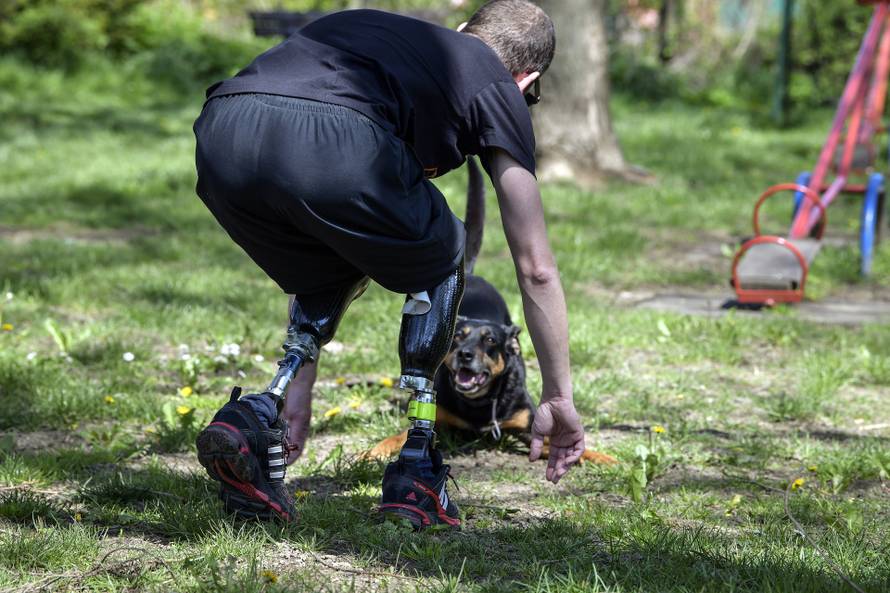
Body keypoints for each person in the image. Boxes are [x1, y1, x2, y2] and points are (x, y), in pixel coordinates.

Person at [192, 0, 586, 528]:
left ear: (464, 29)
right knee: (444, 251)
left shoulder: (375, 30)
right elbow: (536, 265)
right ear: (527, 79)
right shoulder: (499, 85)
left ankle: (259, 419)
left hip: (222, 135)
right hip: (338, 143)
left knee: (331, 255)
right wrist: (558, 395)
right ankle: (417, 470)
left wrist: (307, 389)